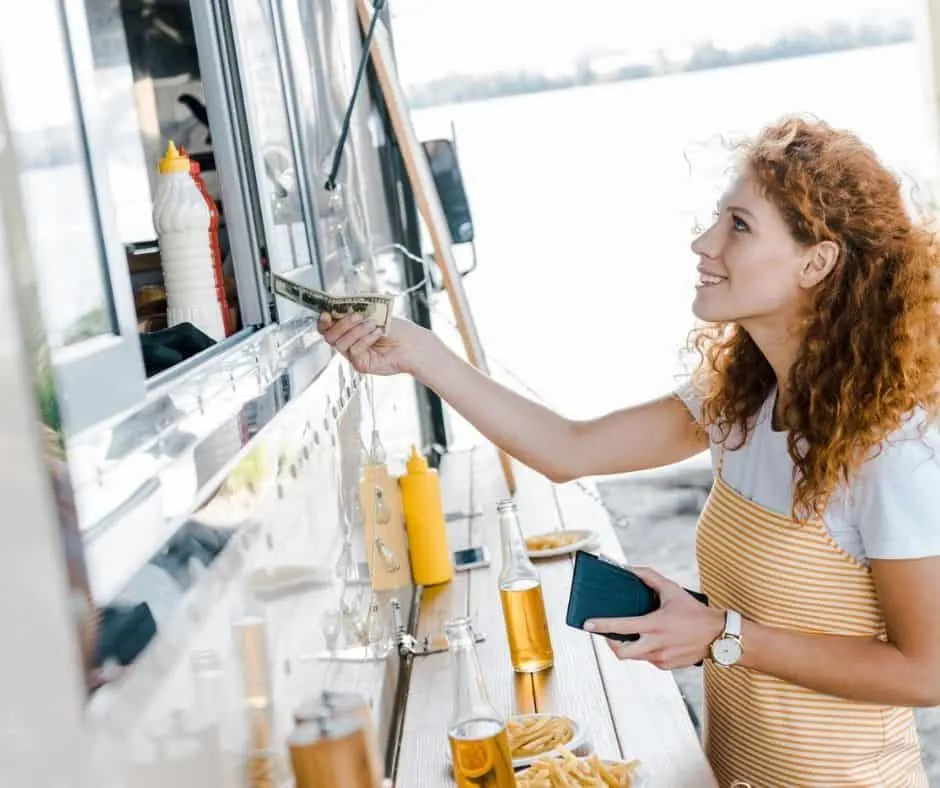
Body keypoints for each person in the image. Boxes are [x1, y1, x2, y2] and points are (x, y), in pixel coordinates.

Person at [318, 115, 940, 786]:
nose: (703, 243)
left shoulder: (892, 451)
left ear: (815, 261)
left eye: (738, 225)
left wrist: (723, 635)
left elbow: (926, 671)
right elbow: (568, 448)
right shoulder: (741, 399)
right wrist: (421, 355)